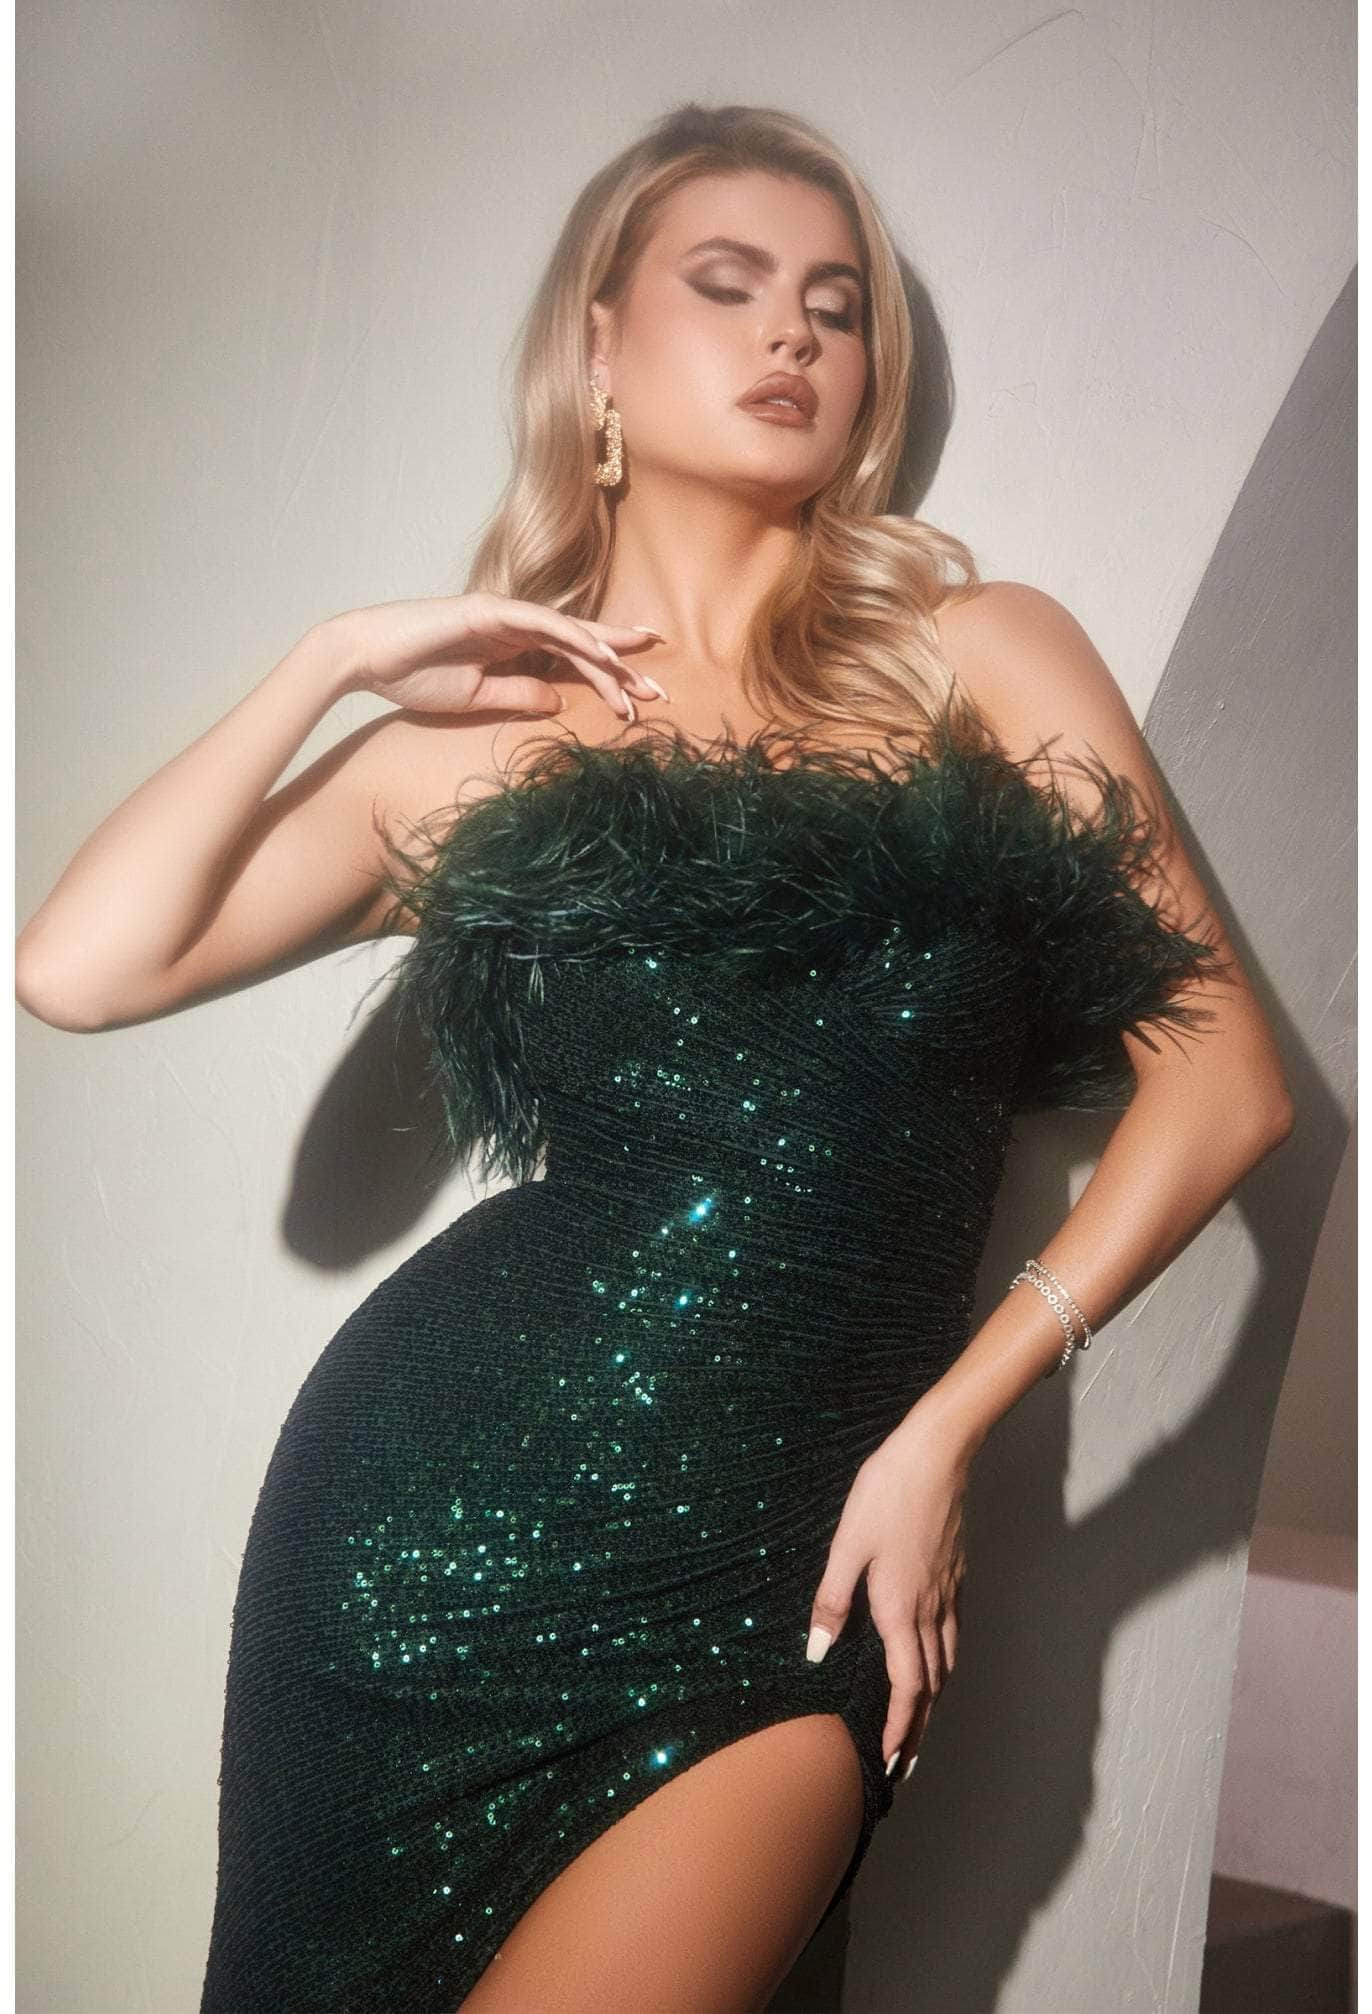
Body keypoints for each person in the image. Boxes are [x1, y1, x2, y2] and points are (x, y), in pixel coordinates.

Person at [16, 100, 1294, 2014]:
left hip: (806, 1551)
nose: (793, 332)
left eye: (835, 307)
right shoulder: (473, 747)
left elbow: (1229, 1082)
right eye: (730, 284)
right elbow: (78, 967)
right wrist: (336, 660)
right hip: (424, 1536)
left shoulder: (980, 657)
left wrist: (948, 1427)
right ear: (597, 345)